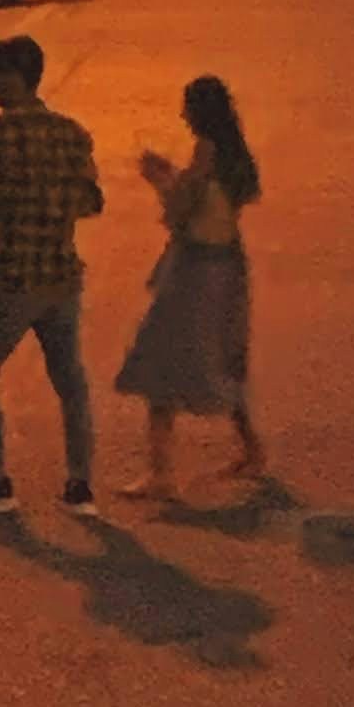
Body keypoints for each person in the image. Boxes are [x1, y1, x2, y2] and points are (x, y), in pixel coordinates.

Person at [0, 35, 104, 515]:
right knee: (69, 379)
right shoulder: (73, 133)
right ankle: (80, 486)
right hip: (62, 273)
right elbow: (92, 201)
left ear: (16, 77)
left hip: (16, 274)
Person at [117, 76, 266, 499]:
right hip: (229, 265)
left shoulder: (206, 151)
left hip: (196, 270)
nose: (182, 115)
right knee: (223, 358)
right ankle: (252, 449)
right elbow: (217, 202)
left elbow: (183, 209)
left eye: (187, 108)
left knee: (161, 362)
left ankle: (160, 471)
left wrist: (160, 178)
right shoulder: (238, 155)